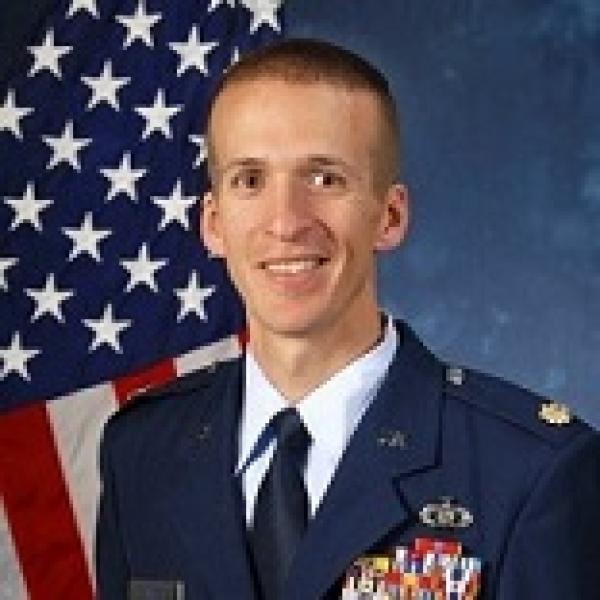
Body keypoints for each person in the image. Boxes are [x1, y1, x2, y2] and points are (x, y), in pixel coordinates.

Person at [95, 39, 600, 599]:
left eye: (324, 178)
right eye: (249, 180)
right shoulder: (142, 453)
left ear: (389, 216)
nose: (285, 222)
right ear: (213, 223)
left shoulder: (529, 471)